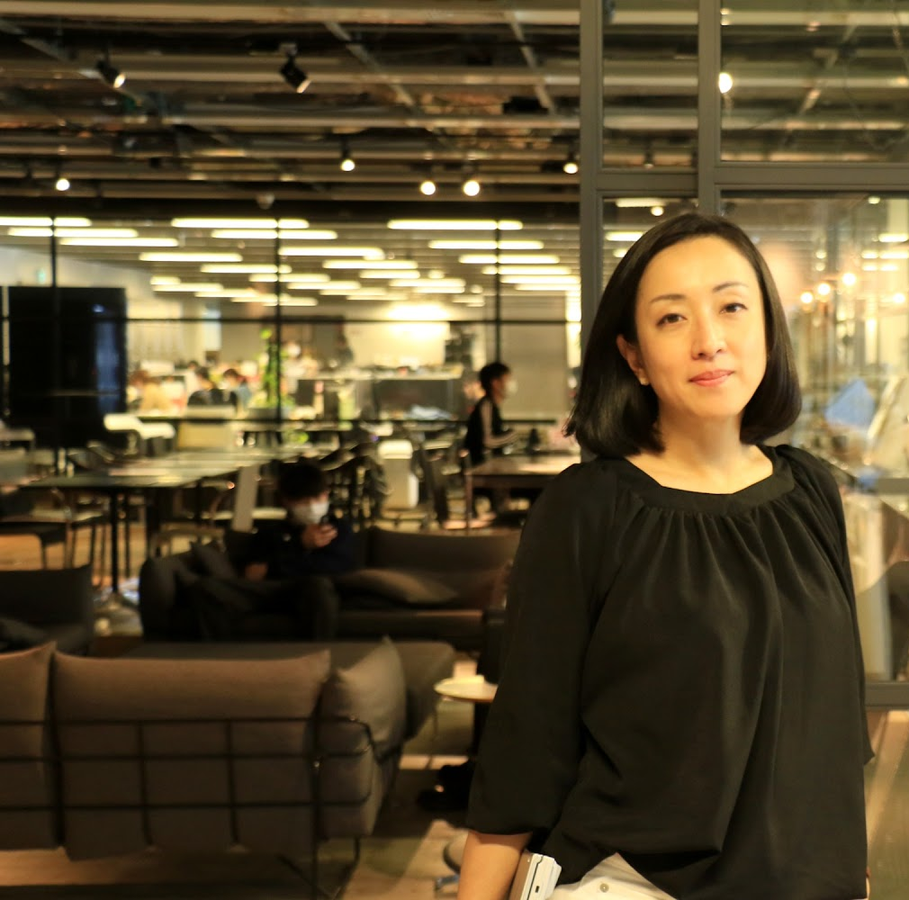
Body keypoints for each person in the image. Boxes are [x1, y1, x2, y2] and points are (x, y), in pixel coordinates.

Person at [458, 213, 872, 900]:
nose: (709, 341)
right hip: (631, 881)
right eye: (672, 318)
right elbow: (528, 744)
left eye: (731, 307)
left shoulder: (811, 491)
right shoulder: (588, 508)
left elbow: (835, 724)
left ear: (769, 329)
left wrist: (853, 870)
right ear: (634, 357)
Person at [185, 461, 356, 641]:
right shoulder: (272, 532)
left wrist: (276, 567)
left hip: (308, 591)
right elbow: (253, 574)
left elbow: (337, 569)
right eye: (304, 501)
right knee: (208, 588)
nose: (312, 506)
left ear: (326, 495)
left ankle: (317, 652)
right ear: (286, 501)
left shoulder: (338, 530)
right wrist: (300, 545)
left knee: (318, 585)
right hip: (270, 591)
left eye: (317, 499)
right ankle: (220, 653)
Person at [464, 362, 521, 465]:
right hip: (482, 468)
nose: (510, 384)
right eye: (507, 380)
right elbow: (488, 441)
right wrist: (512, 435)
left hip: (490, 465)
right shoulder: (486, 406)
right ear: (495, 383)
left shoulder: (491, 406)